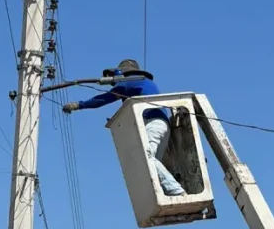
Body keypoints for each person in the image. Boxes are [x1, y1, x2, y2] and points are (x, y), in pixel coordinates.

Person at [63, 59, 185, 197]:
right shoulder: (141, 84)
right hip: (159, 125)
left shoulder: (134, 80)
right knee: (149, 166)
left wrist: (79, 105)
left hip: (152, 123)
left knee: (146, 158)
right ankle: (165, 196)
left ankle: (177, 192)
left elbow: (105, 98)